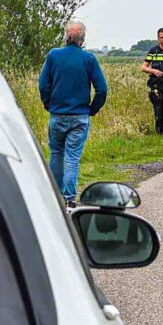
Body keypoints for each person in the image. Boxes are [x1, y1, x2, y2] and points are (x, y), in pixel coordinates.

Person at [36, 20, 109, 201]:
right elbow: (102, 89)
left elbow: (43, 84)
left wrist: (48, 104)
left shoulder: (54, 55)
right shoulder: (89, 59)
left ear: (65, 37)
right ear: (82, 40)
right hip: (79, 116)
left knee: (56, 154)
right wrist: (92, 109)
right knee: (72, 158)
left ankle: (54, 196)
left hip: (58, 114)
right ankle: (68, 198)